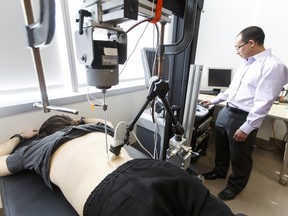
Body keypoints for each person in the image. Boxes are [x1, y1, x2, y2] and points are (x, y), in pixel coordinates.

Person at [0, 114, 244, 216]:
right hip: (154, 169)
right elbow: (105, 121)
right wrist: (80, 118)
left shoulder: (37, 148)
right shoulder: (89, 127)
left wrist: (18, 138)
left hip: (112, 196)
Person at [201, 26, 288, 201]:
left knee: (240, 155)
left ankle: (235, 186)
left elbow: (264, 102)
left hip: (243, 117)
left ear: (251, 43)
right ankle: (219, 171)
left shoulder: (273, 66)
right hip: (227, 110)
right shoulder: (247, 63)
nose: (236, 51)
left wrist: (247, 128)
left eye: (238, 47)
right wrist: (215, 100)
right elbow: (233, 90)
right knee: (222, 146)